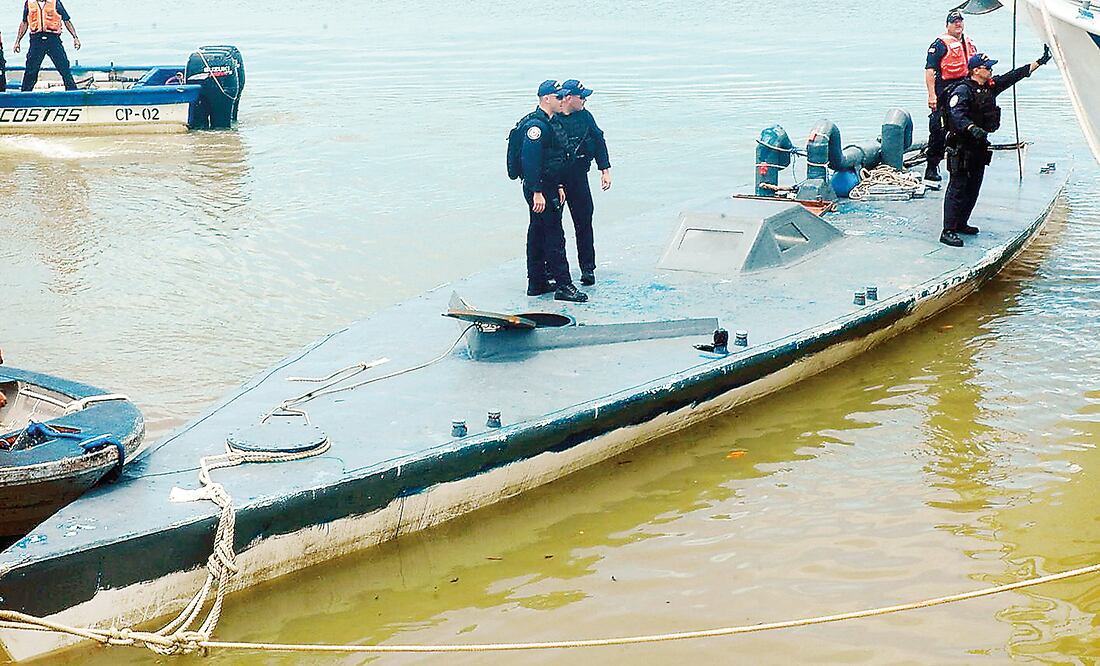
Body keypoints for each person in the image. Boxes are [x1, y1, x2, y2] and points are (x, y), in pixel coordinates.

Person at [939, 49, 1051, 247]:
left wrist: (1039, 62)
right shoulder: (962, 90)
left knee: (973, 187)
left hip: (979, 148)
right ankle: (948, 230)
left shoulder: (990, 87)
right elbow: (956, 113)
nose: (990, 69)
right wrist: (971, 128)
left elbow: (1014, 76)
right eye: (987, 67)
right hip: (961, 146)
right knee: (958, 188)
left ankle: (961, 223)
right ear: (975, 70)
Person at [517, 80, 587, 302]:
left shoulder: (550, 122)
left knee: (537, 232)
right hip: (540, 190)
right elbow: (530, 161)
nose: (561, 101)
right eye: (558, 98)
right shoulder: (536, 127)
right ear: (546, 98)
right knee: (555, 235)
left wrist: (558, 185)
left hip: (547, 186)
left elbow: (552, 159)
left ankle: (536, 282)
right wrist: (538, 191)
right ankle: (564, 286)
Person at [552, 79, 611, 286]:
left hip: (578, 177)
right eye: (582, 96)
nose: (585, 99)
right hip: (555, 180)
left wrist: (604, 169)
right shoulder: (552, 118)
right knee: (553, 228)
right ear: (569, 97)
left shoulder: (585, 116)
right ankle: (552, 270)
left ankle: (588, 269)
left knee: (584, 223)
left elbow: (598, 139)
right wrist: (556, 185)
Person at [924, 9, 977, 186]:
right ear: (947, 25)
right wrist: (932, 95)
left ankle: (962, 164)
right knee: (938, 130)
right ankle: (931, 167)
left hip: (964, 90)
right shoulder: (939, 45)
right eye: (954, 21)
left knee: (963, 126)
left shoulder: (968, 42)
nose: (958, 24)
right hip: (944, 91)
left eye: (960, 21)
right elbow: (930, 71)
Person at [14, 0, 81, 92]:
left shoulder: (56, 3)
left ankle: (72, 91)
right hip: (36, 40)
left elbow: (66, 20)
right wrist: (18, 41)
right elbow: (24, 22)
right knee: (31, 69)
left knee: (64, 66)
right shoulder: (29, 3)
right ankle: (25, 93)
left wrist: (75, 37)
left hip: (53, 39)